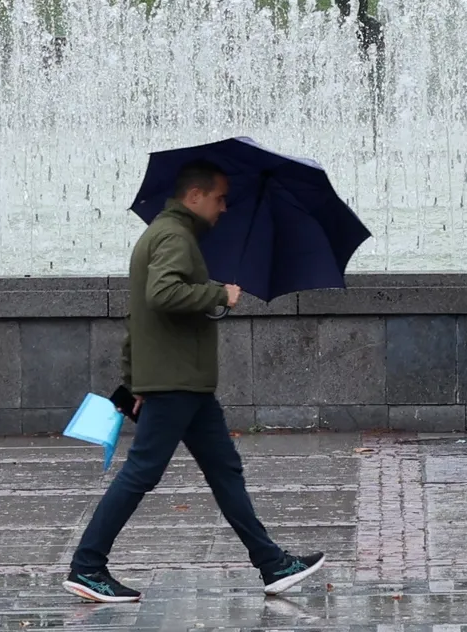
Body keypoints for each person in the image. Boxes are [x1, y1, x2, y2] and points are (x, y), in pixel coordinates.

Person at [63, 161, 325, 604]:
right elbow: (161, 295)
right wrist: (217, 294)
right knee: (141, 473)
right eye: (220, 198)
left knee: (225, 472)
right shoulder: (173, 236)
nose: (225, 207)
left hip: (183, 383)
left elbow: (139, 319)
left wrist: (134, 381)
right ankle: (87, 566)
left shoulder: (168, 234)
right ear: (195, 196)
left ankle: (271, 563)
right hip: (176, 381)